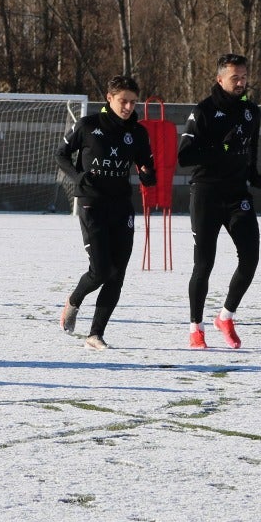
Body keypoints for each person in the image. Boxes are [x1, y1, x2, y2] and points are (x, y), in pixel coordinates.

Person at [56, 76, 156, 350]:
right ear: (109, 98)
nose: (128, 107)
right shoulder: (87, 125)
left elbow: (148, 170)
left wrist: (148, 175)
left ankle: (95, 335)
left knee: (117, 274)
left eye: (133, 102)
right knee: (100, 271)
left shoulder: (138, 133)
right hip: (92, 203)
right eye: (123, 101)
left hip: (121, 206)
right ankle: (74, 300)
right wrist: (77, 177)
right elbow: (61, 154)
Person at [178, 52, 261, 349]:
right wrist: (220, 149)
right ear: (219, 79)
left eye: (244, 77)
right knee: (204, 264)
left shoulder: (251, 111)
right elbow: (184, 156)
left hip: (237, 194)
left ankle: (226, 316)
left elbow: (251, 146)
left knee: (250, 258)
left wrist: (253, 173)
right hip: (206, 193)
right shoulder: (203, 111)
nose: (241, 83)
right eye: (234, 78)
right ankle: (196, 327)